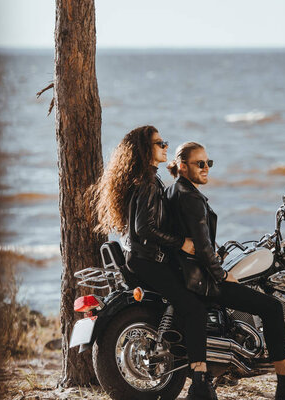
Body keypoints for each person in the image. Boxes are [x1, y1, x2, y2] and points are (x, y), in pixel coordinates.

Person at [166, 142, 285, 400]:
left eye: (209, 163)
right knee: (271, 308)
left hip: (185, 275)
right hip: (201, 280)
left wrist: (218, 256)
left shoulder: (173, 191)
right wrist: (220, 273)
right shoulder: (191, 198)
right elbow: (202, 245)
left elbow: (195, 240)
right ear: (183, 167)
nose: (206, 168)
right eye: (200, 164)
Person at [89, 126, 216, 399]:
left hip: (143, 259)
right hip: (147, 261)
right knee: (194, 308)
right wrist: (181, 243)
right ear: (145, 150)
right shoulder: (147, 183)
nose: (165, 146)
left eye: (165, 142)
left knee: (189, 301)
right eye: (159, 143)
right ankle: (200, 384)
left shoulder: (147, 179)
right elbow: (145, 228)